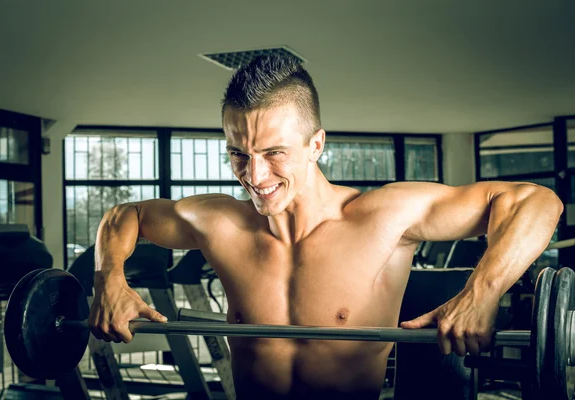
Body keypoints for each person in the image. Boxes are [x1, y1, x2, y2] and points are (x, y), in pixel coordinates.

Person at [88, 54, 563, 399]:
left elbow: (534, 200)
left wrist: (482, 292)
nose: (254, 176)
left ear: (316, 145)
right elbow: (124, 215)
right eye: (239, 154)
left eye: (274, 153)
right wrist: (109, 278)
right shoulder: (220, 224)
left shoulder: (384, 217)